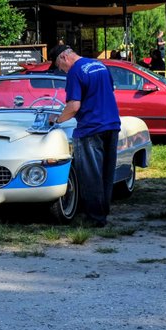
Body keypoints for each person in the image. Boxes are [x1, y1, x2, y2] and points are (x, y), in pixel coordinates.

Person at [47, 44, 121, 227]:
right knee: (106, 173)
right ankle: (103, 212)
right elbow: (109, 91)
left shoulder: (75, 72)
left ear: (64, 58)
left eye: (59, 66)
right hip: (112, 124)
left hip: (91, 128)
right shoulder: (99, 65)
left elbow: (74, 106)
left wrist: (56, 119)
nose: (61, 71)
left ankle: (94, 219)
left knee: (90, 175)